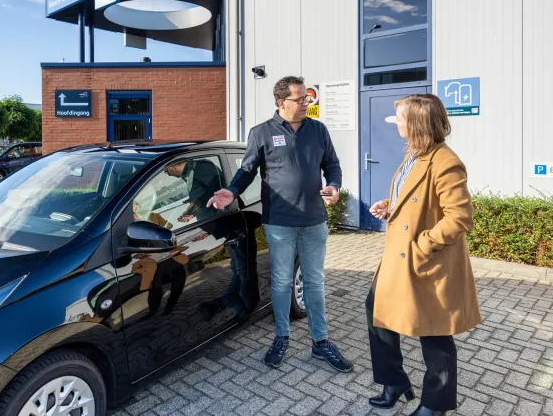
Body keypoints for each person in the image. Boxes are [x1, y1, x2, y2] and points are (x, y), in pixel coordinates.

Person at [206, 75, 353, 372]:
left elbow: (332, 165)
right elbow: (247, 170)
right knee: (282, 281)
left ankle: (321, 342)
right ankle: (281, 338)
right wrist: (231, 191)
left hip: (314, 220)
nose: (306, 103)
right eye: (300, 99)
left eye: (306, 98)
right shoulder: (261, 132)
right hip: (279, 223)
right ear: (281, 102)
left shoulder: (318, 130)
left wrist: (334, 186)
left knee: (314, 282)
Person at [366, 94, 482, 416]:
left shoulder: (445, 162)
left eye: (401, 119)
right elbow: (413, 198)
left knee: (434, 331)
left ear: (417, 124)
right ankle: (394, 382)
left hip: (425, 261)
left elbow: (459, 217)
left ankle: (435, 404)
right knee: (376, 310)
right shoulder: (415, 154)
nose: (396, 124)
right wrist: (389, 206)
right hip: (397, 257)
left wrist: (423, 245)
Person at [165, 159, 223, 223]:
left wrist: (195, 207)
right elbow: (204, 193)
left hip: (218, 218)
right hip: (208, 220)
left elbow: (216, 190)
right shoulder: (190, 172)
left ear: (173, 166)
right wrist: (193, 212)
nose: (169, 174)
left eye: (166, 171)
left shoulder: (201, 167)